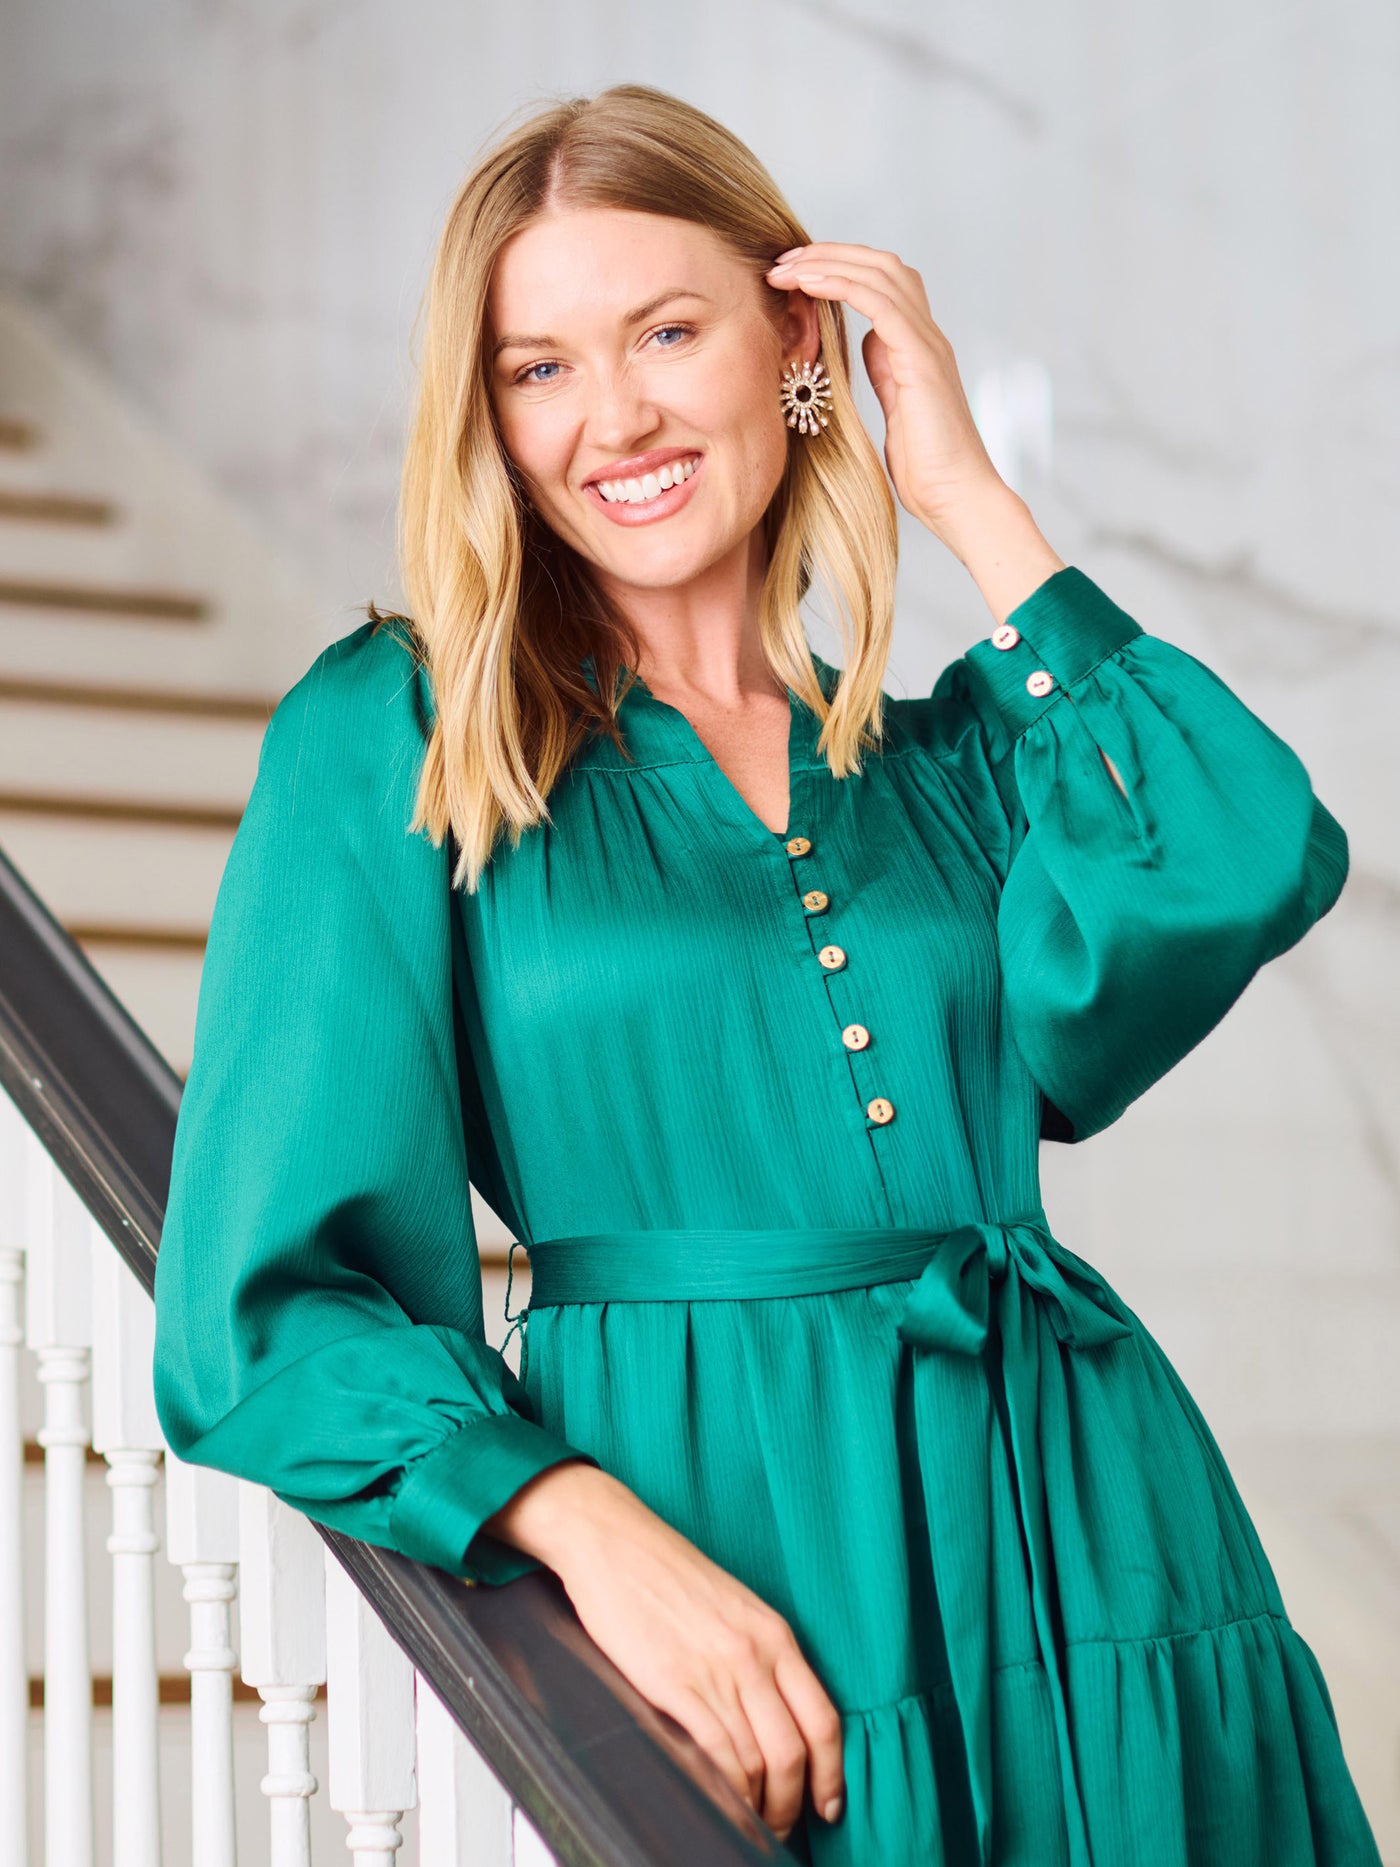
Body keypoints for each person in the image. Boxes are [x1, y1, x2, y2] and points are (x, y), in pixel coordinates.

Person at [152, 82, 1383, 1866]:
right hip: (721, 1550)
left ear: (793, 338)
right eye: (539, 367)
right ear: (486, 415)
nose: (616, 417)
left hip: (1099, 1545)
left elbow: (1246, 847)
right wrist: (580, 1528)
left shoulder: (954, 768)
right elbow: (264, 1312)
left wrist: (962, 489)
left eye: (667, 331)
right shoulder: (405, 737)